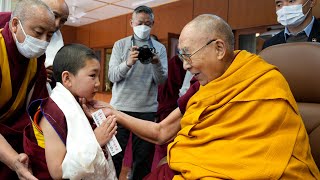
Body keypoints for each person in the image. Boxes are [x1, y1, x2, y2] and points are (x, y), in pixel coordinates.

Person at [86, 14, 320, 179]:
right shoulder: (200, 88)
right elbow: (161, 132)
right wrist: (114, 112)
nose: (185, 66)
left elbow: (268, 153)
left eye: (188, 55)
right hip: (198, 169)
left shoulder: (265, 81)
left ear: (219, 48)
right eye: (181, 57)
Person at [24, 44, 118, 179]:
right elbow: (57, 171)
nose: (98, 83)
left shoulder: (81, 103)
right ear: (67, 78)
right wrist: (95, 141)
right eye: (92, 76)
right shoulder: (53, 111)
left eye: (99, 76)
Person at [108, 5, 168, 179]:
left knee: (143, 160)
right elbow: (112, 76)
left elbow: (162, 81)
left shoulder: (159, 48)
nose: (144, 26)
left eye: (148, 23)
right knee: (115, 156)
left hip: (146, 110)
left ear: (153, 24)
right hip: (119, 109)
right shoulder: (120, 45)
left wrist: (156, 63)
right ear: (131, 22)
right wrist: (127, 63)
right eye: (140, 22)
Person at [0, 0, 56, 179]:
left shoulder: (35, 59)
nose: (43, 42)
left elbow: (38, 105)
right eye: (38, 33)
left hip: (12, 137)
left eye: (49, 36)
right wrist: (13, 161)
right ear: (15, 25)